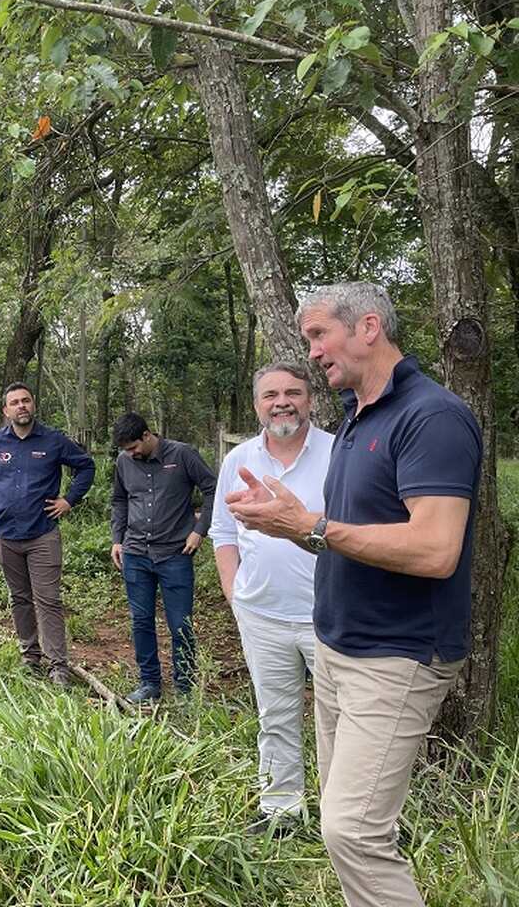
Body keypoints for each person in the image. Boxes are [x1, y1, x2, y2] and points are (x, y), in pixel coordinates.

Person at [229, 282, 481, 907]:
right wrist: (295, 520)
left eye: (319, 335)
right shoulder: (358, 419)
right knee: (347, 827)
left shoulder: (433, 416)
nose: (311, 352)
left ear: (368, 326)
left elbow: (435, 548)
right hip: (340, 647)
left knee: (353, 831)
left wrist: (310, 526)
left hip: (396, 655)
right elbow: (354, 534)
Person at [209, 362, 332, 836]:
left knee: (338, 720)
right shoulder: (238, 459)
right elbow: (222, 530)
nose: (282, 401)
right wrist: (234, 592)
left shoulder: (338, 453)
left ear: (310, 400)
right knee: (275, 713)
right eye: (271, 394)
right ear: (257, 404)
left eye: (293, 392)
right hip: (261, 613)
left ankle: (344, 818)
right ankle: (281, 809)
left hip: (329, 615)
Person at [0, 382, 95, 686]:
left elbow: (86, 467)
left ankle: (58, 665)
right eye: (15, 403)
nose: (21, 406)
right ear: (6, 410)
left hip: (43, 535)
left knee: (48, 600)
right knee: (19, 599)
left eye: (26, 401)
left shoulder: (54, 440)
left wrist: (69, 500)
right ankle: (30, 656)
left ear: (33, 405)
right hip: (6, 534)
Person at [110, 412, 216, 703]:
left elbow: (212, 488)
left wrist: (199, 530)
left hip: (175, 553)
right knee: (141, 620)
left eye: (133, 448)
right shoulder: (124, 462)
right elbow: (119, 500)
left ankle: (185, 686)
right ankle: (149, 684)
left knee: (181, 622)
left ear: (147, 436)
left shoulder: (182, 455)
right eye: (125, 450)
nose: (130, 454)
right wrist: (116, 539)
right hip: (135, 553)